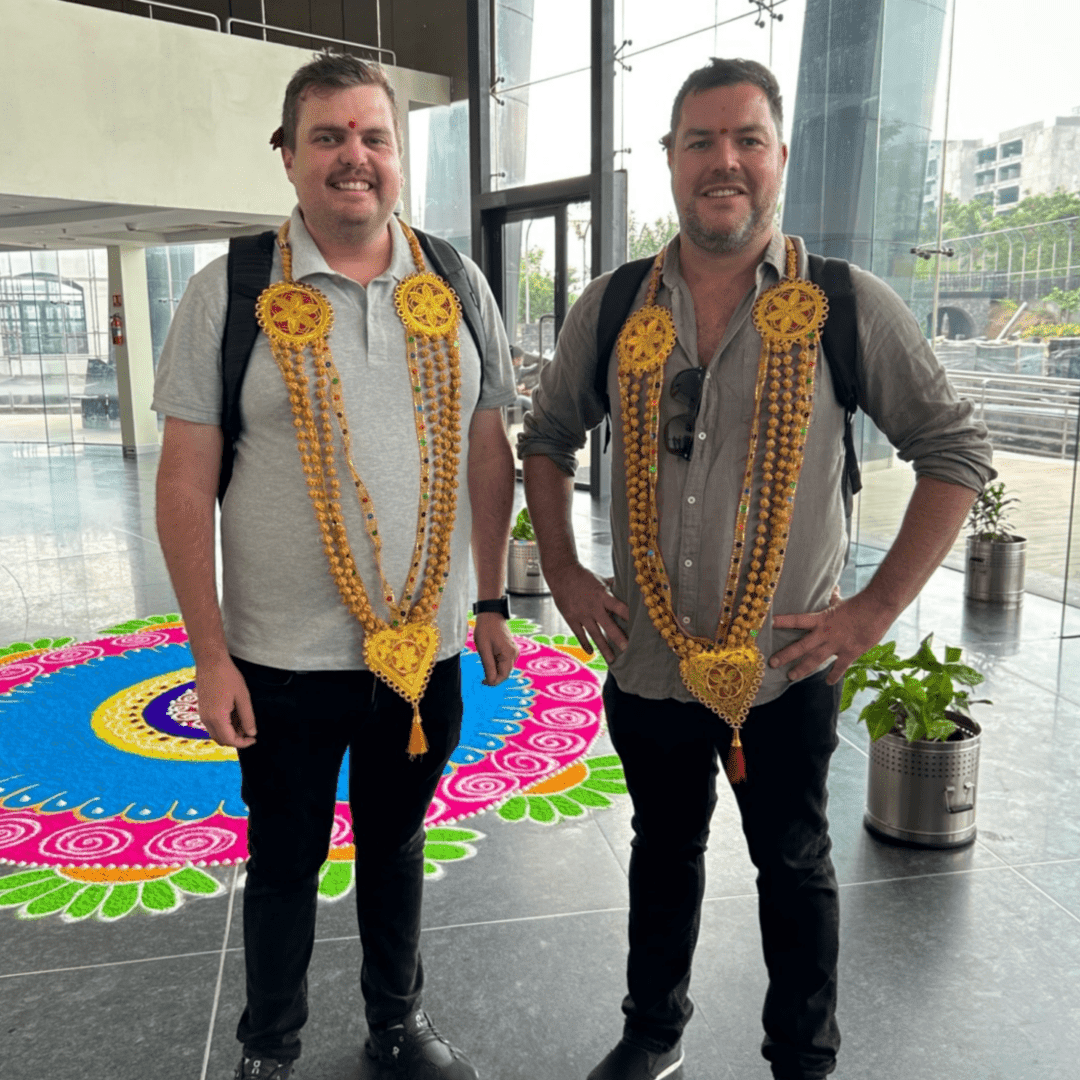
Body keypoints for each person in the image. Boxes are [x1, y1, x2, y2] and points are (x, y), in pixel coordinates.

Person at [519, 58, 994, 1080]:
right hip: (649, 661)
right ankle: (653, 1033)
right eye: (700, 142)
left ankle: (802, 1058)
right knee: (662, 851)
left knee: (793, 864)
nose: (722, 161)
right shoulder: (611, 308)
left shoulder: (842, 305)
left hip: (785, 664)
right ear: (671, 163)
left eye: (745, 140)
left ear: (778, 157)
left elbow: (955, 451)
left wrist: (871, 611)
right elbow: (547, 436)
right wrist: (561, 568)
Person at [153, 53, 518, 1080]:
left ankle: (395, 1022)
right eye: (329, 137)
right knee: (283, 861)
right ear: (289, 156)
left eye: (374, 137)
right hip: (278, 660)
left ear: (398, 156)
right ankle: (270, 1045)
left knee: (397, 847)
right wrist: (210, 656)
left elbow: (489, 447)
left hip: (423, 653)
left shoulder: (453, 278)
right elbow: (185, 486)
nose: (353, 158)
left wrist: (489, 597)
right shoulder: (229, 290)